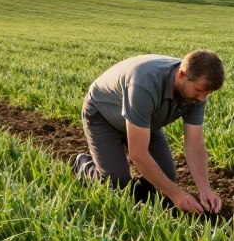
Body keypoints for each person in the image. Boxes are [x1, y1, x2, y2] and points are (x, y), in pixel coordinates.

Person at [73, 50, 224, 214]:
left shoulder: (196, 92)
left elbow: (194, 144)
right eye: (199, 91)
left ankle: (136, 189)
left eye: (207, 94)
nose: (202, 99)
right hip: (103, 116)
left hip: (143, 122)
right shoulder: (144, 84)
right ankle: (83, 164)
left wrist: (205, 189)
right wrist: (176, 194)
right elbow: (137, 154)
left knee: (165, 180)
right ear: (181, 74)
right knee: (117, 185)